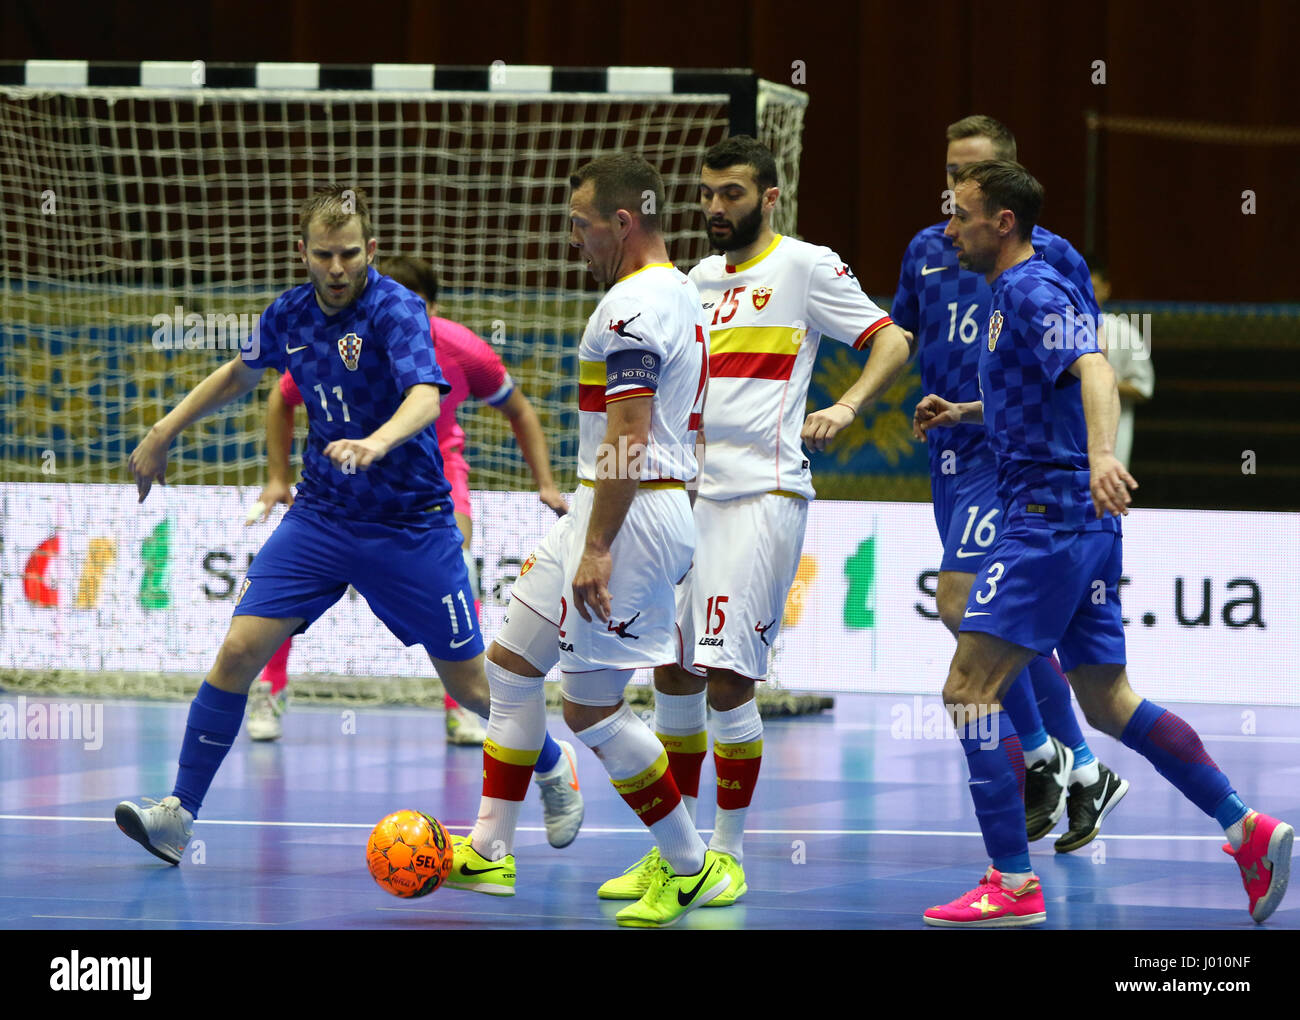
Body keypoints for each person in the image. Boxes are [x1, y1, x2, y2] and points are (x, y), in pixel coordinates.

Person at [114, 185, 582, 863]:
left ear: (372, 252)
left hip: (411, 525)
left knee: (474, 688)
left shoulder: (395, 309)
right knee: (239, 651)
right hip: (322, 518)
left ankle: (550, 763)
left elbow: (426, 394)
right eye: (326, 255)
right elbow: (240, 376)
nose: (338, 268)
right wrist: (163, 430)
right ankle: (179, 815)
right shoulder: (289, 315)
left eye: (351, 254)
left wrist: (379, 442)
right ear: (302, 252)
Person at [914, 160, 1292, 927]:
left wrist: (1100, 456)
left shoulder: (1032, 289)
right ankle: (1246, 827)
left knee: (967, 693)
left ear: (1003, 223)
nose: (948, 230)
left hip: (1047, 520)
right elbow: (1034, 398)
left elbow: (1093, 367)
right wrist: (964, 411)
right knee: (1107, 700)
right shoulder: (1005, 295)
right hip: (1075, 524)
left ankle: (1012, 884)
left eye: (961, 215)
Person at [597, 136, 913, 906]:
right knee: (672, 670)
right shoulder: (693, 279)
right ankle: (680, 855)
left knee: (730, 679)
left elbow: (892, 339)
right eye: (706, 194)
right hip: (684, 499)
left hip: (762, 496)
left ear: (770, 198)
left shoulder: (807, 265)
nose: (714, 207)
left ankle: (728, 856)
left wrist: (845, 404)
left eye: (732, 194)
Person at [443, 154, 724, 928]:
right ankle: (490, 850)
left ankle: (692, 867)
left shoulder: (633, 305)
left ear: (623, 222)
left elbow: (630, 435)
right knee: (509, 666)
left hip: (629, 515)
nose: (573, 237)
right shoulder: (674, 292)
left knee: (592, 711)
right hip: (609, 511)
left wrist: (599, 545)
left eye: (580, 222)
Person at [895, 116, 1126, 852]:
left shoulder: (1048, 260)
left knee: (963, 602)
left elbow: (1085, 359)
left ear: (1004, 190)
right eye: (949, 176)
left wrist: (1095, 451)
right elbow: (901, 334)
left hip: (1015, 457)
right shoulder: (927, 252)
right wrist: (853, 399)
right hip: (952, 454)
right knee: (1002, 624)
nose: (952, 200)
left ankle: (1044, 756)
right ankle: (1081, 766)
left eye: (971, 178)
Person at [246, 255, 570, 762]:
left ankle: (462, 701)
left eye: (415, 307)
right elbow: (281, 396)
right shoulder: (343, 341)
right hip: (343, 488)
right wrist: (276, 477)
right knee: (283, 585)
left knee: (457, 558)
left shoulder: (463, 350)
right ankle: (271, 689)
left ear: (432, 309)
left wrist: (546, 483)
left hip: (434, 483)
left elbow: (519, 408)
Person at [1090, 261, 1154, 469]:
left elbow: (1143, 388)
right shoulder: (1059, 331)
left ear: (1106, 289)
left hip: (1113, 434)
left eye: (1093, 287)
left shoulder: (1126, 332)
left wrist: (1100, 383)